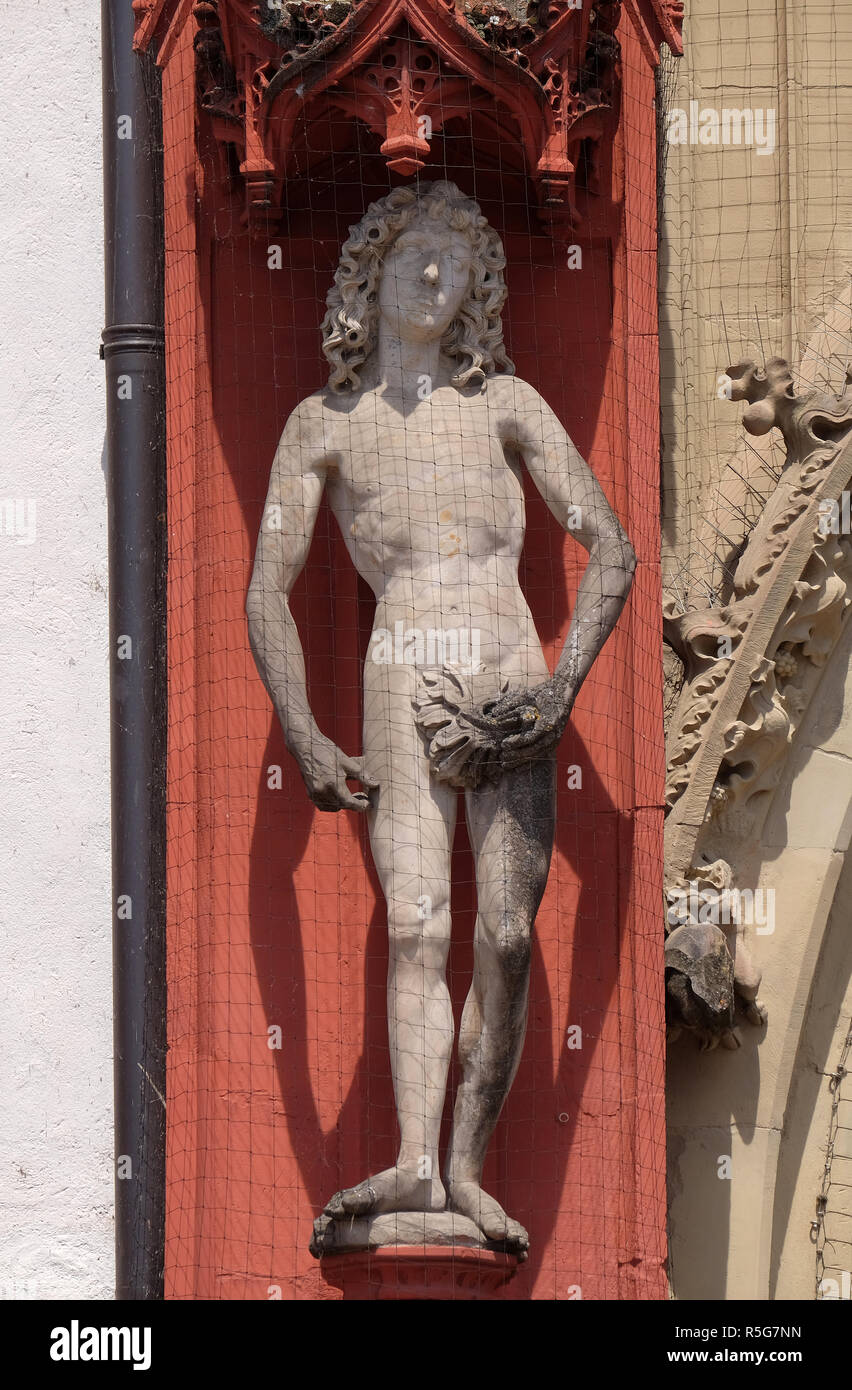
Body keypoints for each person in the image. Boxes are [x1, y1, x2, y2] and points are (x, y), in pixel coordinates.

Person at [246, 181, 635, 1257]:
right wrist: (305, 729)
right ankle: (419, 1161)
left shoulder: (505, 405)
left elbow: (611, 542)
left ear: (478, 292)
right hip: (399, 670)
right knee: (418, 926)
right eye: (418, 252)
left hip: (511, 675)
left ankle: (466, 1161)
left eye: (458, 263)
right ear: (369, 275)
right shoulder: (322, 425)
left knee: (505, 934)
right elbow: (266, 583)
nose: (435, 275)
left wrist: (560, 687)